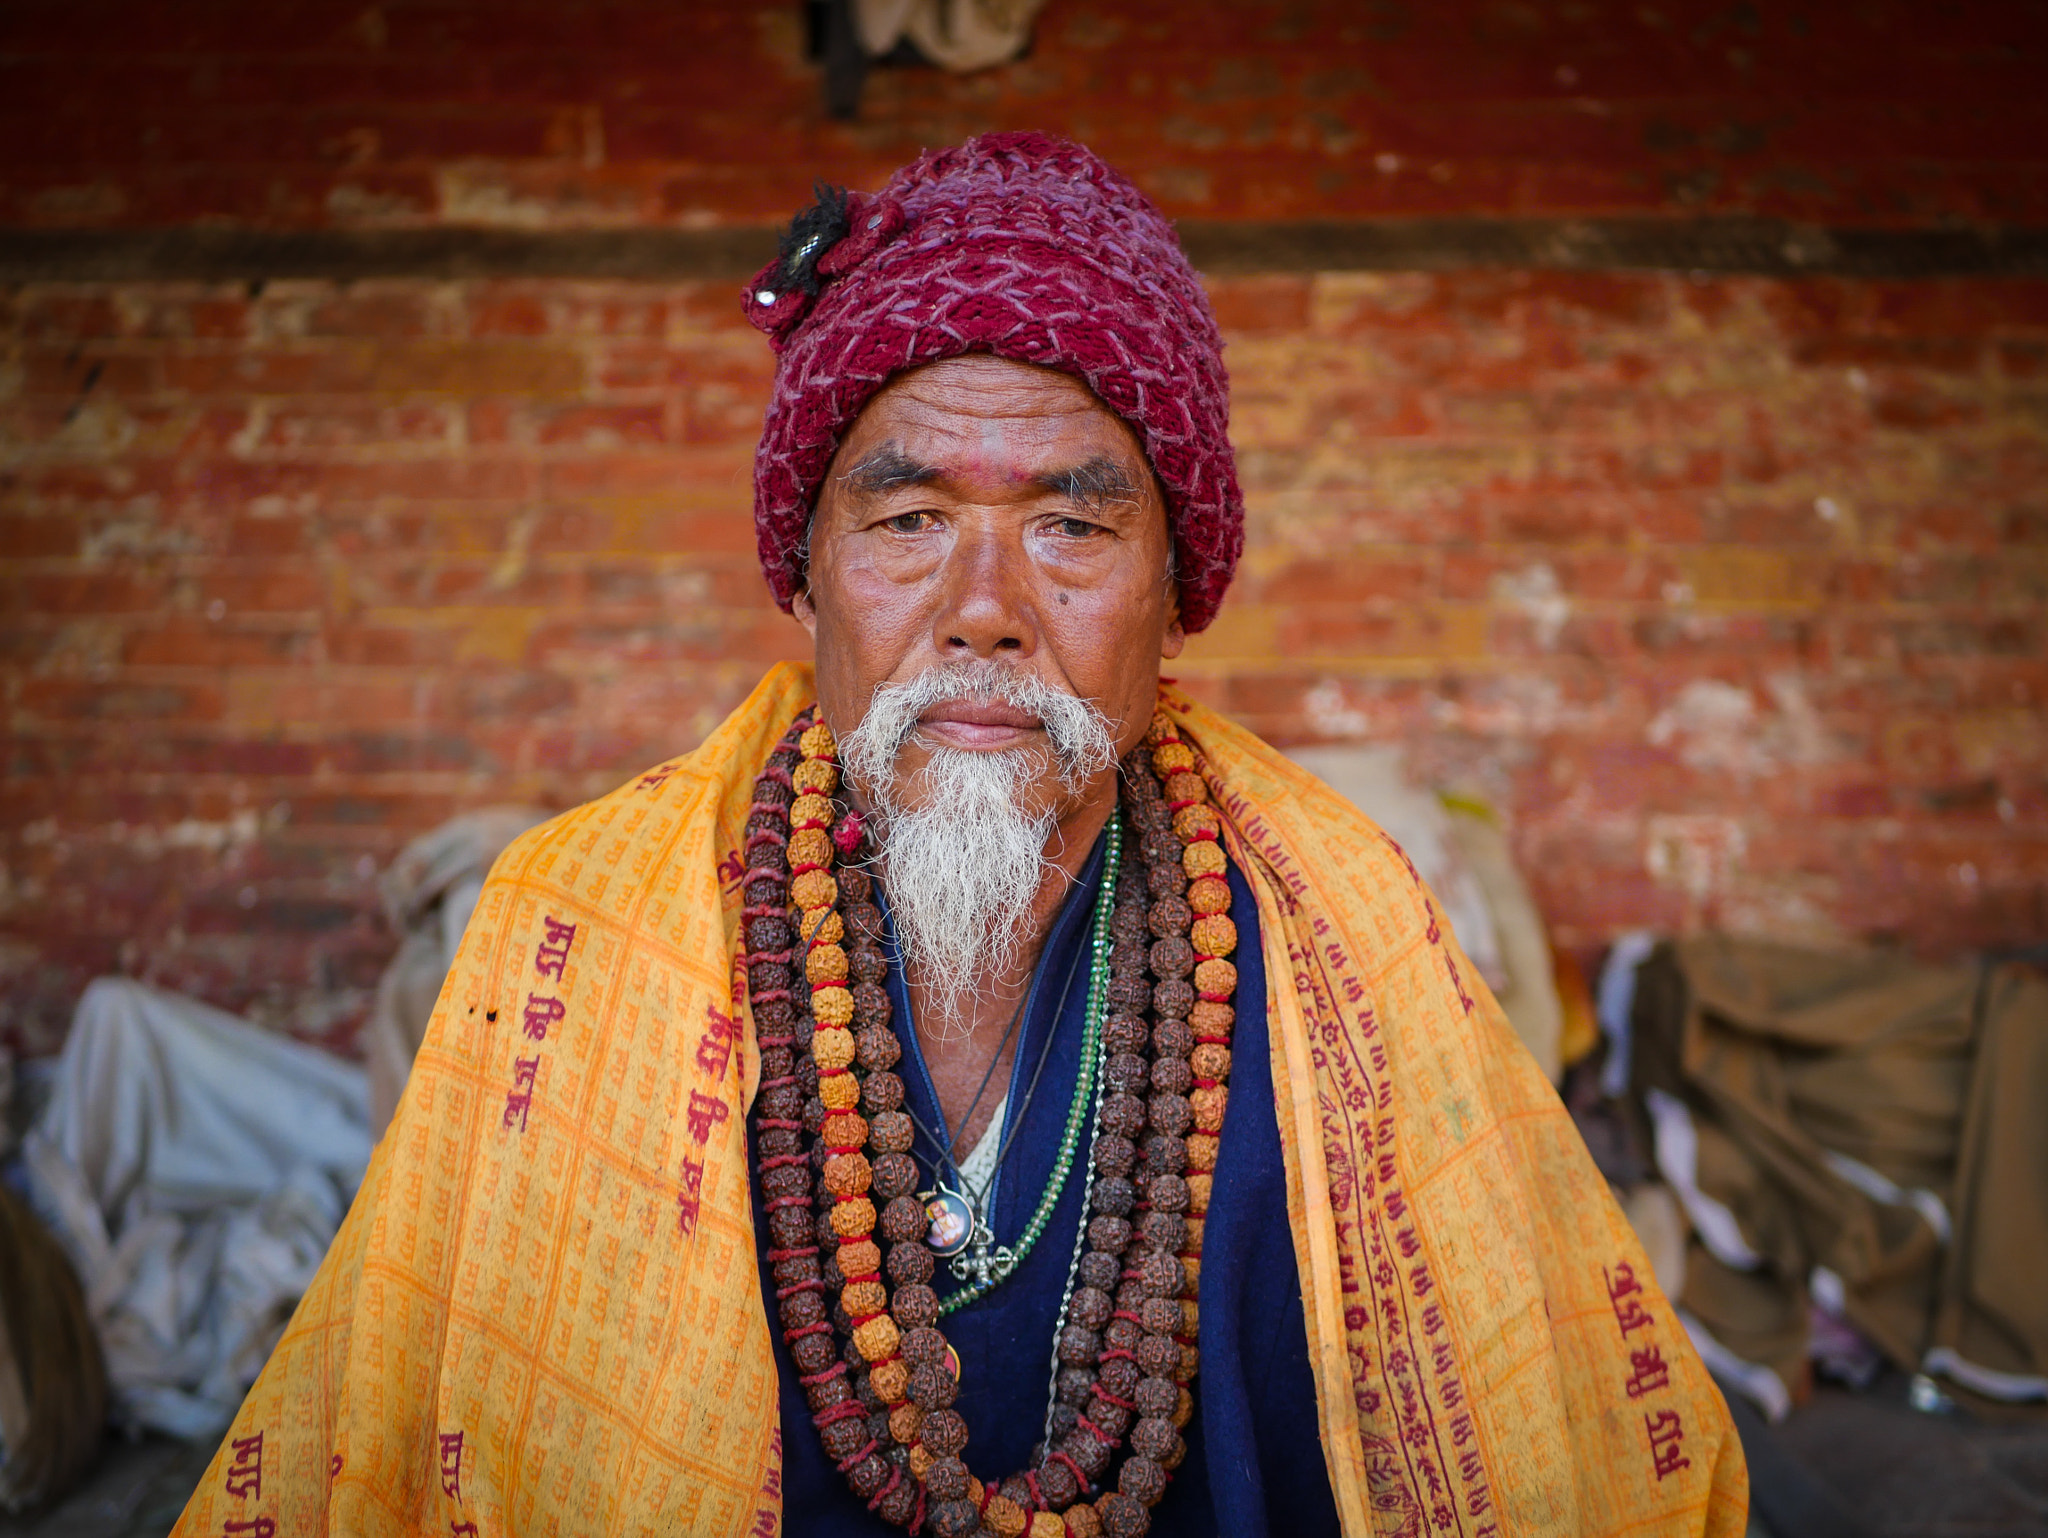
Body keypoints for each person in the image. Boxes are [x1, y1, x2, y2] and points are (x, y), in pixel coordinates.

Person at [174, 133, 1745, 1538]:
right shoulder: (575, 931)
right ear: (807, 579)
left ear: (1171, 599)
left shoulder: (1347, 935)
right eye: (909, 519)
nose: (984, 611)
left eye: (1072, 522)